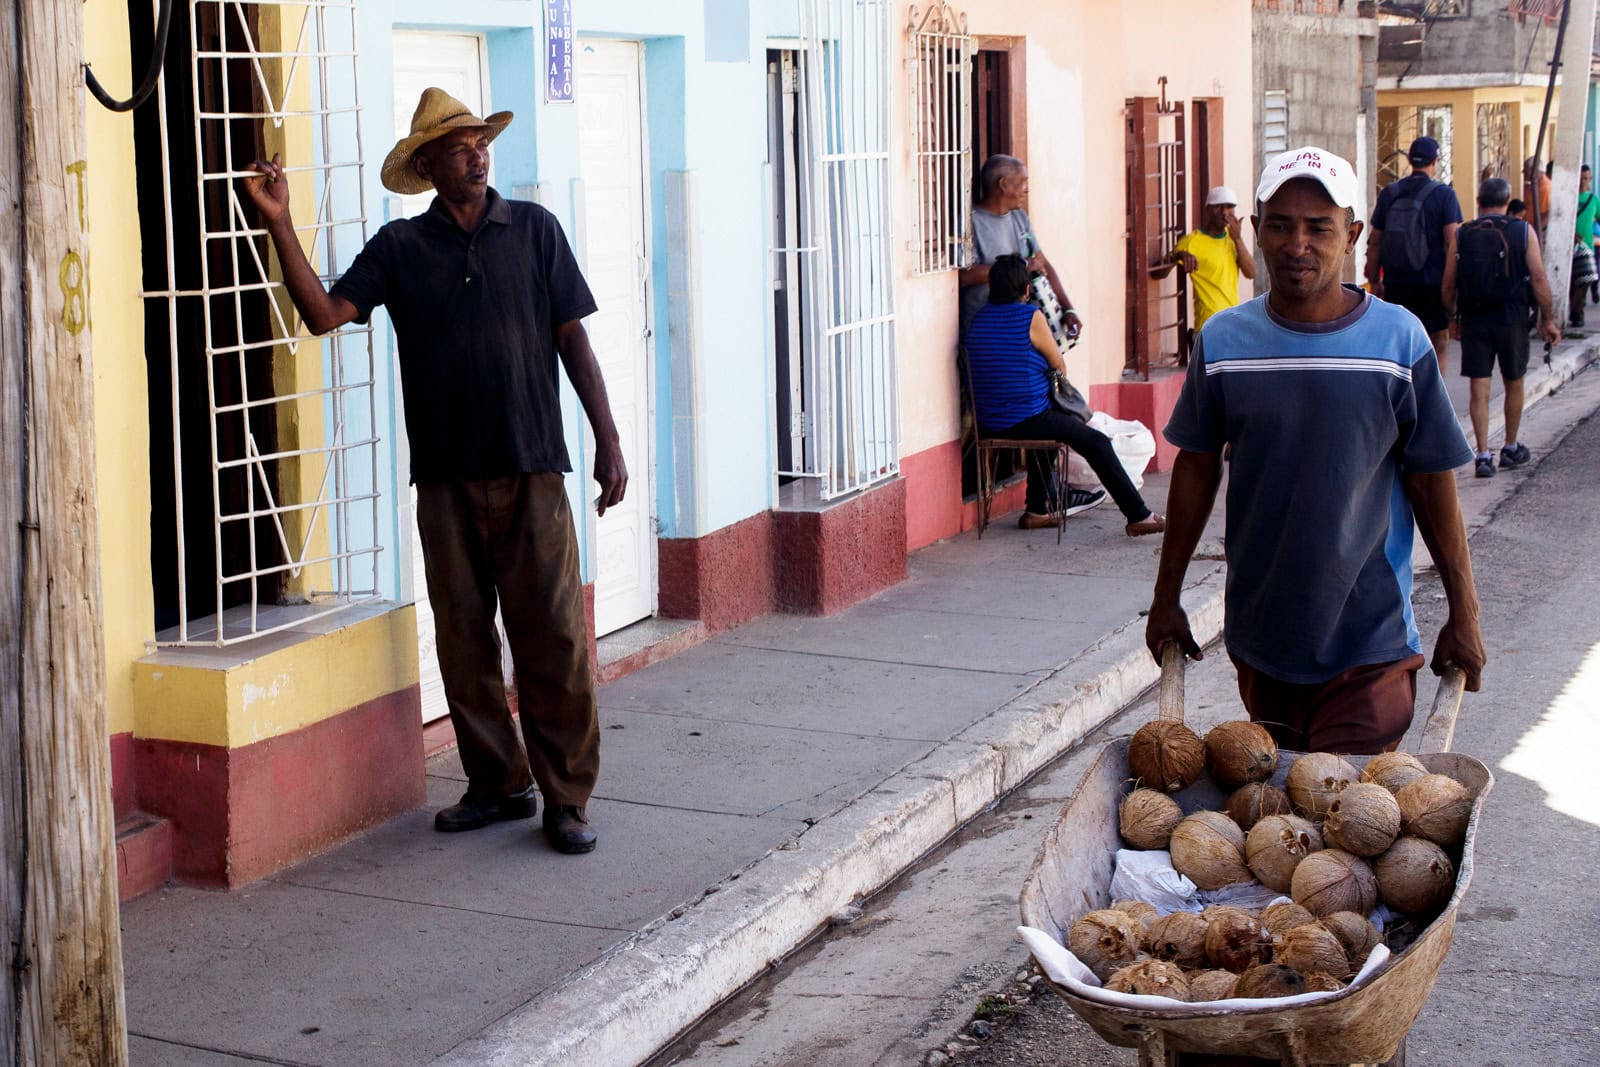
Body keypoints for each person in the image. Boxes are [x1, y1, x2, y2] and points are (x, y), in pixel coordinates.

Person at [238, 88, 626, 854]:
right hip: (446, 480)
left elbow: (573, 341)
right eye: (458, 146)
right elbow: (322, 313)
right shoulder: (400, 250)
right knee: (463, 638)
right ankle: (496, 781)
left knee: (553, 638)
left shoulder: (535, 231)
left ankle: (567, 797)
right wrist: (280, 221)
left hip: (532, 470)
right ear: (427, 165)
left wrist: (606, 441)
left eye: (481, 141)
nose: (477, 154)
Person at [1147, 146, 1486, 755]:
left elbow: (1432, 482)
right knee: (1282, 827)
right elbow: (1196, 470)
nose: (1296, 243)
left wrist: (1466, 614)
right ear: (1256, 229)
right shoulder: (1225, 342)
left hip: (1370, 642)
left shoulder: (1397, 341)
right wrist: (1165, 597)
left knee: (1340, 812)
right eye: (1279, 225)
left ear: (1352, 235)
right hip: (1263, 639)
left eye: (1318, 228)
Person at [965, 254, 1165, 536]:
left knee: (1051, 423)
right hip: (1026, 419)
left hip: (986, 423)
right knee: (1095, 442)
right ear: (1026, 290)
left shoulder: (977, 320)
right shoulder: (1030, 317)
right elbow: (1058, 364)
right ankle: (1138, 515)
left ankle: (1036, 510)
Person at [1442, 177, 1560, 478]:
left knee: (1479, 386)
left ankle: (1482, 455)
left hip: (1475, 318)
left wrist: (1454, 318)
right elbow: (1539, 279)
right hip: (1512, 318)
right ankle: (1509, 446)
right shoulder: (1522, 231)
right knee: (1514, 381)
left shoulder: (1463, 233)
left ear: (1479, 201)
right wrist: (1547, 319)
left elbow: (1448, 283)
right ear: (1508, 202)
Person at [958, 154, 1081, 345]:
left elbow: (1042, 264)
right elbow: (964, 276)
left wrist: (1068, 309)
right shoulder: (971, 222)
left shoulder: (1019, 217)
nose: (1027, 190)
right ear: (1003, 184)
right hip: (986, 331)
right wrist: (1022, 266)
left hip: (1021, 329)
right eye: (1022, 182)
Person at [1366, 136, 1464, 374]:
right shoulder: (1444, 195)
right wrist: (1455, 285)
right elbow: (1452, 240)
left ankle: (1401, 397)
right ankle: (1433, 402)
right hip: (1433, 282)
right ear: (1435, 161)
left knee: (1399, 344)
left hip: (1396, 281)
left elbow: (1375, 240)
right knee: (1438, 341)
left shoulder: (1390, 193)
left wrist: (1375, 280)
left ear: (1409, 160)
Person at [1159, 186, 1257, 344]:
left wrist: (1238, 239)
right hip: (1208, 327)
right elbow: (1158, 274)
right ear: (1208, 210)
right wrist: (1177, 255)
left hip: (1233, 325)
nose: (1225, 212)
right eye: (1218, 206)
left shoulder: (1233, 240)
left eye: (1230, 207)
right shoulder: (1191, 241)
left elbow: (1251, 272)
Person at [1570, 164, 1599, 327]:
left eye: (1586, 178)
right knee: (1572, 283)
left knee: (1585, 280)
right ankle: (1573, 313)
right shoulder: (1569, 197)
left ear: (1590, 180)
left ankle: (1577, 313)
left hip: (1587, 248)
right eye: (1581, 178)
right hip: (1569, 248)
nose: (1583, 182)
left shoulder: (1593, 200)